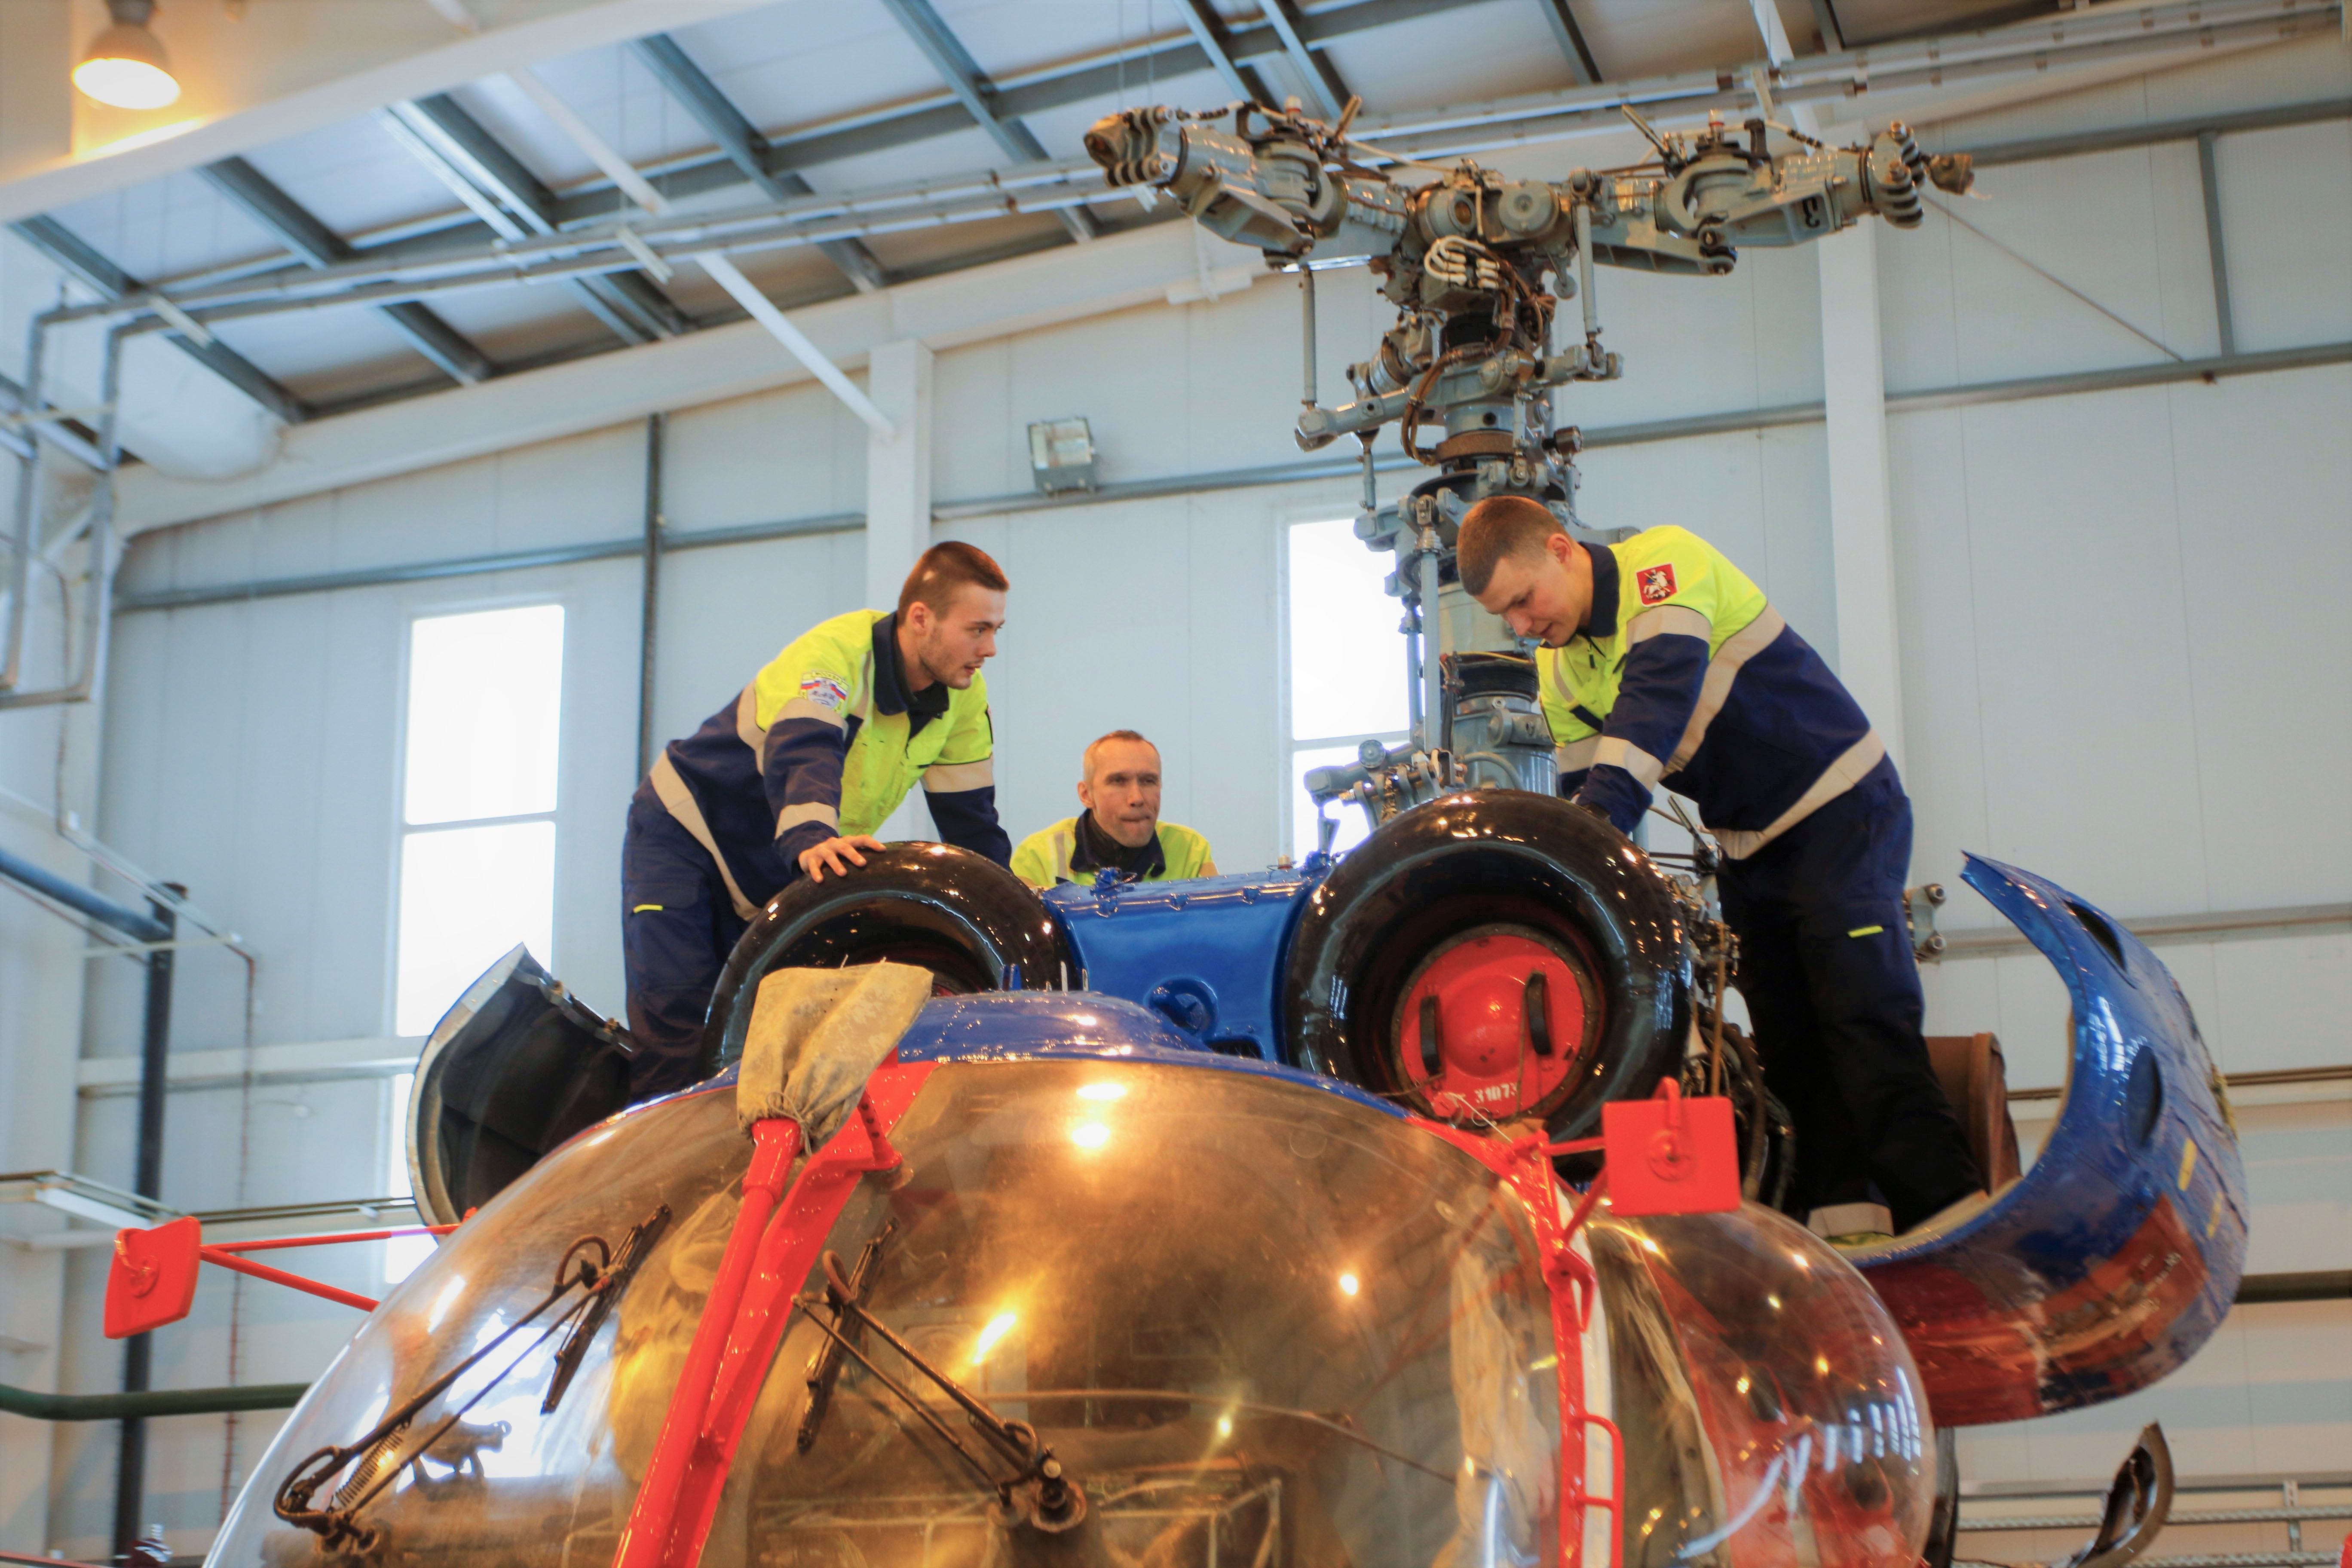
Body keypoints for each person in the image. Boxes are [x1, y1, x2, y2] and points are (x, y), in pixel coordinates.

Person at [1455, 495, 1981, 1240]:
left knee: (1863, 1022)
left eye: (1522, 600)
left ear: (1561, 549)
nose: (1521, 624)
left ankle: (1952, 1229)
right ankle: (1847, 1237)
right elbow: (1587, 806)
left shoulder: (1664, 566)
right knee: (1789, 1050)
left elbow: (1651, 709)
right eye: (1503, 615)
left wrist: (1577, 848)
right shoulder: (1559, 671)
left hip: (1839, 810)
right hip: (1747, 848)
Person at [619, 541, 1013, 1101]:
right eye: (978, 629)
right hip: (687, 836)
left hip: (776, 870)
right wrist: (811, 837)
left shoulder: (963, 700)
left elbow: (973, 821)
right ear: (922, 618)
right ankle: (653, 1185)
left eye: (997, 630)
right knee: (680, 1036)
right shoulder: (838, 654)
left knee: (756, 1047)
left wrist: (1010, 900)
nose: (991, 649)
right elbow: (804, 747)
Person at [1012, 730, 1217, 888]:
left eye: (1148, 781)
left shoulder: (1191, 851)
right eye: (1119, 781)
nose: (1137, 799)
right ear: (1086, 795)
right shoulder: (1037, 856)